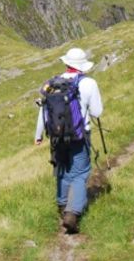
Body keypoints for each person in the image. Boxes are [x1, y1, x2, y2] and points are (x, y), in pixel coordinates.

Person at [34, 47, 103, 234]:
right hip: (79, 136)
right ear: (82, 66)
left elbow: (44, 111)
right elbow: (97, 112)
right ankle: (72, 214)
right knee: (80, 173)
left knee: (62, 169)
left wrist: (38, 135)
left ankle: (62, 206)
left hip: (56, 137)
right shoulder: (89, 83)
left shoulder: (52, 83)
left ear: (66, 63)